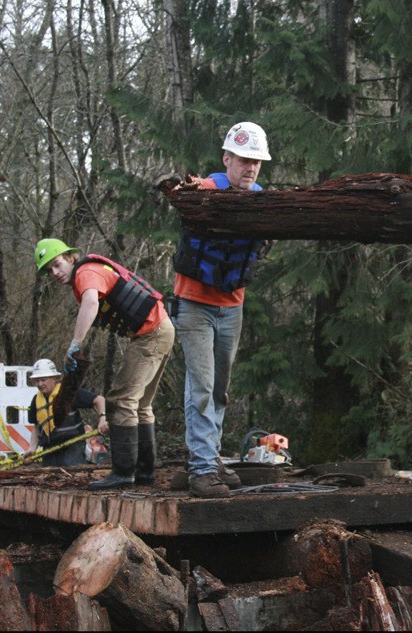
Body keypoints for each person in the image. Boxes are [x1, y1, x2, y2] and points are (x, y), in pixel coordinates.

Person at [170, 121, 273, 498]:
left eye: (257, 162)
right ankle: (201, 470)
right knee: (201, 386)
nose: (251, 168)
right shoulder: (204, 190)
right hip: (194, 304)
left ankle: (209, 458)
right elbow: (177, 194)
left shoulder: (262, 199)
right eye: (245, 160)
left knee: (220, 390)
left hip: (232, 307)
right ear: (227, 158)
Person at [33, 238, 175, 489]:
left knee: (120, 400)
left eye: (56, 264)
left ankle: (123, 473)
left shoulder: (85, 273)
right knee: (140, 404)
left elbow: (90, 302)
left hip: (151, 333)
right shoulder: (90, 272)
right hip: (158, 329)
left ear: (70, 258)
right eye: (49, 270)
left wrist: (75, 343)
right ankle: (144, 474)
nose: (54, 273)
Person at [25, 358, 106, 467]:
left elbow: (99, 400)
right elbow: (36, 427)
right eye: (37, 380)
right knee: (48, 479)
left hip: (72, 447)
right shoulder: (36, 400)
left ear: (53, 378)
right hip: (49, 450)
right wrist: (32, 449)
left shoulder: (67, 393)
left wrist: (103, 418)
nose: (40, 384)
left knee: (73, 477)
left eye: (43, 380)